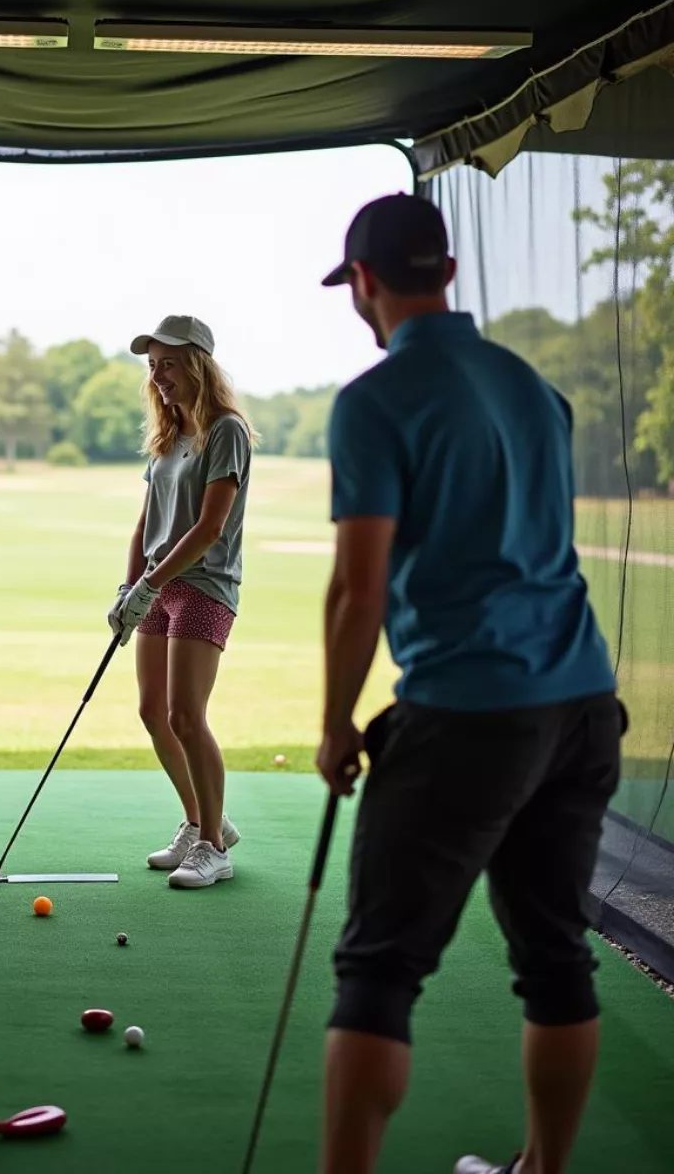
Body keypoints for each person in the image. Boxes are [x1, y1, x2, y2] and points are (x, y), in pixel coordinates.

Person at [314, 193, 625, 1174]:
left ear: (364, 282)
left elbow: (361, 587)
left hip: (470, 714)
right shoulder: (534, 388)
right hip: (581, 703)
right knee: (555, 955)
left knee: (379, 970)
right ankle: (543, 1169)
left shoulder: (375, 401)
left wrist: (334, 724)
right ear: (447, 272)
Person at [109, 315, 257, 889]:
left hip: (205, 583)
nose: (160, 377)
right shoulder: (169, 436)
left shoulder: (227, 431)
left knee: (186, 716)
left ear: (198, 362)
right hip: (158, 584)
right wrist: (130, 588)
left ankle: (214, 845)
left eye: (168, 364)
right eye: (153, 367)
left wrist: (148, 585)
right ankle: (200, 821)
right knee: (153, 713)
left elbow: (209, 527)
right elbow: (146, 522)